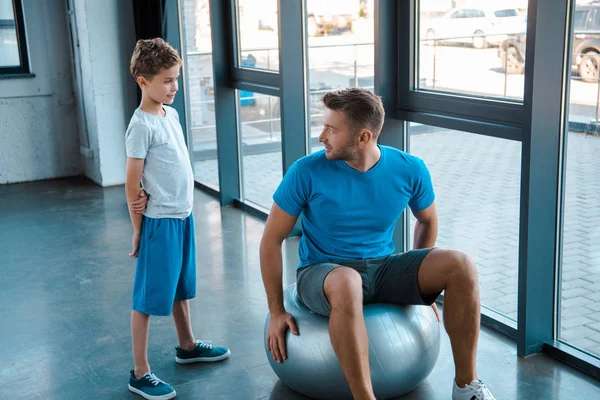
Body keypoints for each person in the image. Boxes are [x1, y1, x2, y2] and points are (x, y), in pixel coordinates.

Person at [260, 88, 496, 400]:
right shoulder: (306, 171)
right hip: (323, 273)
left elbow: (427, 220)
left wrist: (419, 290)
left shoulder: (410, 169)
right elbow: (271, 240)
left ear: (363, 137)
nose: (321, 137)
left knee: (460, 264)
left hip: (383, 268)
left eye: (332, 129)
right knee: (347, 281)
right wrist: (276, 310)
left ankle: (467, 387)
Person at [124, 38, 230, 400]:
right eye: (167, 80)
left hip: (182, 217)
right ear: (143, 81)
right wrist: (139, 230)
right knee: (148, 298)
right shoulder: (141, 126)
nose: (174, 87)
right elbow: (131, 181)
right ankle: (140, 372)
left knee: (180, 286)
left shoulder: (171, 115)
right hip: (159, 223)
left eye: (176, 79)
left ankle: (186, 346)